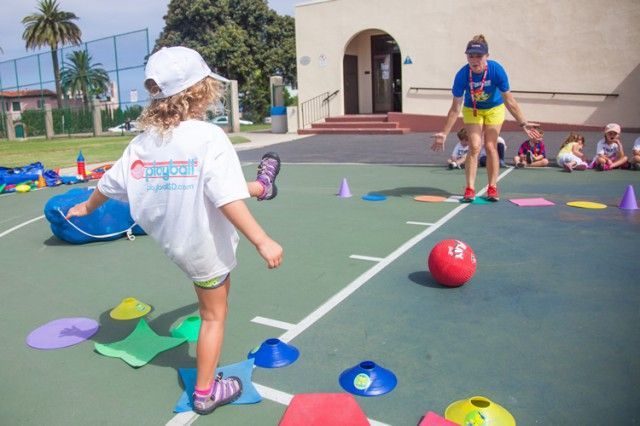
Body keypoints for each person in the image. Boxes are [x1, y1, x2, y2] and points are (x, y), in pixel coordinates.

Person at [65, 46, 284, 415]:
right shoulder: (209, 137)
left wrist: (87, 207)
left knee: (204, 187)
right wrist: (262, 240)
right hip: (204, 248)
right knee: (214, 315)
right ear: (201, 91)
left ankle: (262, 186)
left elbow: (109, 183)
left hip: (176, 240)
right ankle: (205, 393)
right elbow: (226, 198)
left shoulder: (141, 145)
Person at [431, 34, 540, 202]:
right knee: (474, 146)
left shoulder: (496, 70)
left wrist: (523, 123)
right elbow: (455, 108)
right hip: (472, 110)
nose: (474, 60)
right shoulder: (462, 75)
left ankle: (492, 187)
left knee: (490, 146)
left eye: (479, 56)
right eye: (470, 56)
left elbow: (509, 100)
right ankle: (469, 188)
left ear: (487, 56)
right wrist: (444, 133)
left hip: (494, 109)